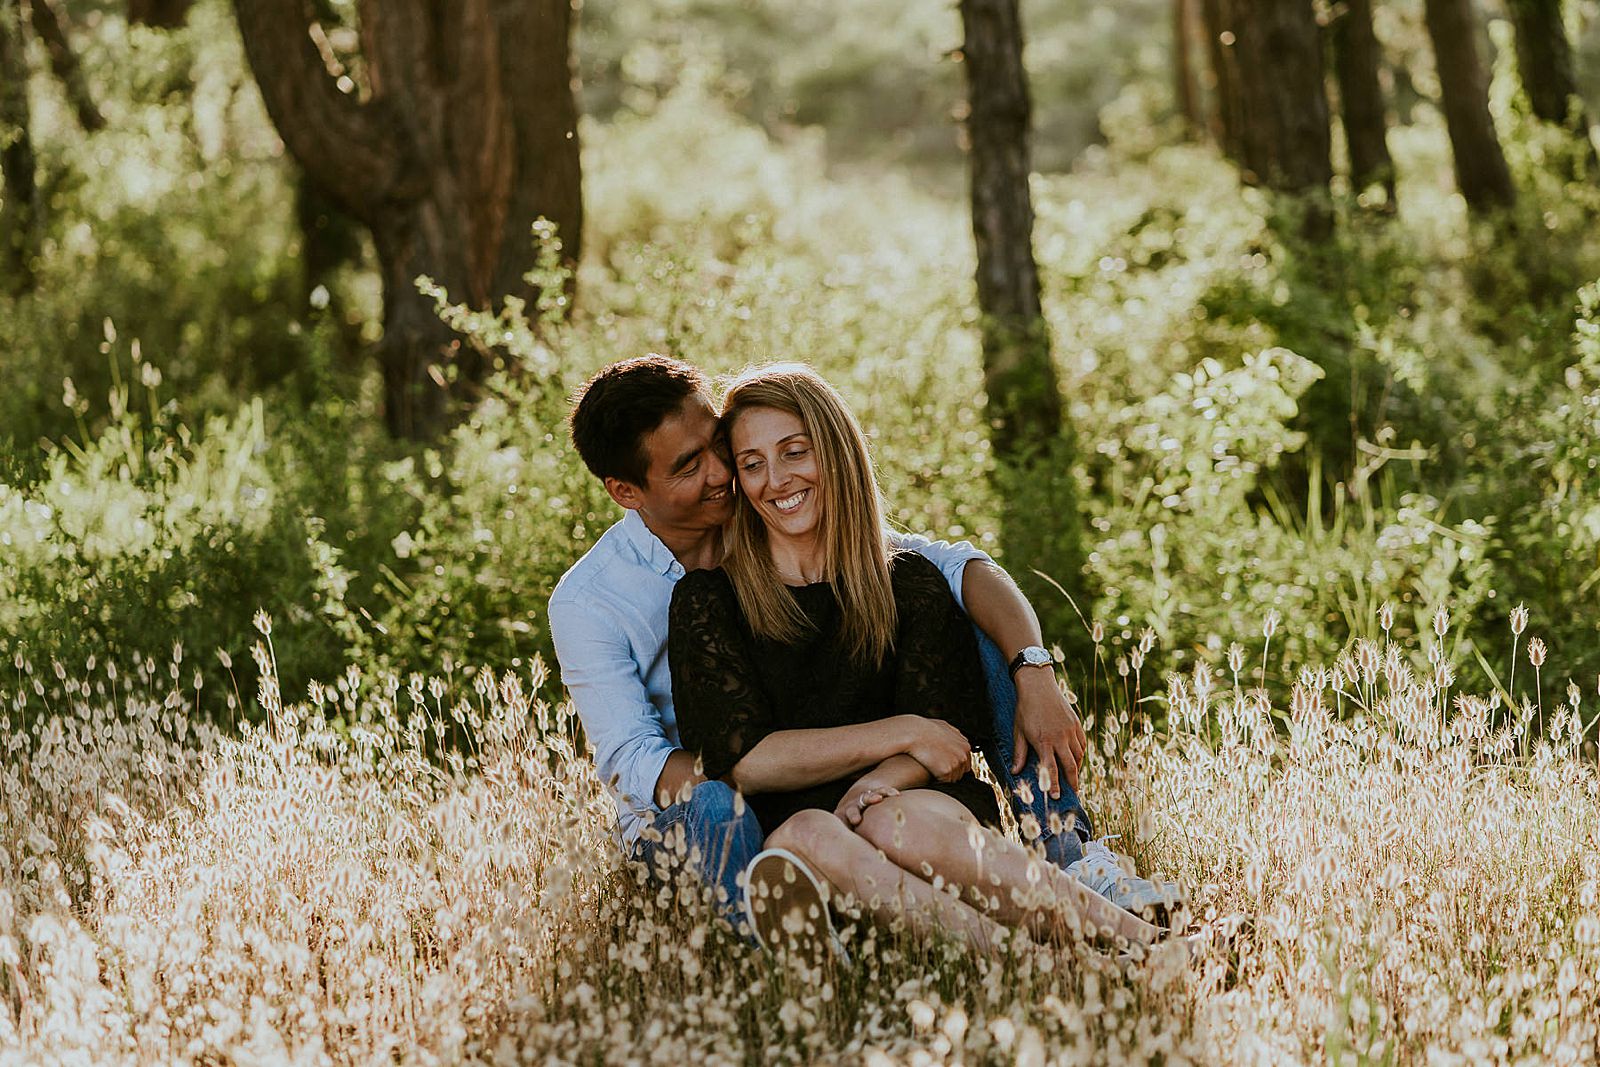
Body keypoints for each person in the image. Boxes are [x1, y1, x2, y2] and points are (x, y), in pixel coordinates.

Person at [547, 354, 1177, 934]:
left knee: (990, 632)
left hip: (858, 776)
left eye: (717, 448)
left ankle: (1065, 849)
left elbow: (957, 568)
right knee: (718, 804)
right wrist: (767, 771)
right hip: (706, 803)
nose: (721, 474)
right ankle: (771, 931)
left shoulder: (767, 501)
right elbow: (639, 763)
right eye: (689, 467)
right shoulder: (592, 600)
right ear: (627, 492)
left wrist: (1033, 671)